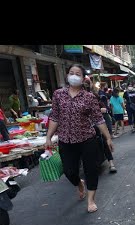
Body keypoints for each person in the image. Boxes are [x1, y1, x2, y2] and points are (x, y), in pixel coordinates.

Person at [46, 64, 114, 213]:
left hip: (87, 139)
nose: (74, 76)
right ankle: (79, 184)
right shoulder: (58, 94)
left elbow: (98, 119)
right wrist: (48, 137)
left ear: (83, 79)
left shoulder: (89, 97)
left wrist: (108, 137)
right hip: (66, 140)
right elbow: (55, 117)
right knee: (69, 171)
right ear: (67, 75)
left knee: (91, 170)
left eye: (78, 74)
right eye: (72, 73)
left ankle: (90, 200)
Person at [83, 77, 117, 173]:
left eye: (87, 83)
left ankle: (111, 163)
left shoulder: (93, 96)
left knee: (104, 141)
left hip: (95, 125)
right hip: (81, 129)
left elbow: (102, 110)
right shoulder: (71, 97)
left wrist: (101, 110)